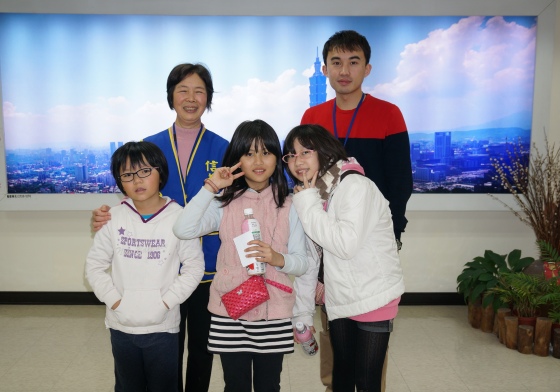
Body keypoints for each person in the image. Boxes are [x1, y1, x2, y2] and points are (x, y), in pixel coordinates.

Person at [91, 63, 229, 392]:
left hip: (207, 265)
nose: (191, 98)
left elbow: (235, 202)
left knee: (201, 348)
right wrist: (103, 216)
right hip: (156, 266)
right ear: (170, 96)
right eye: (183, 90)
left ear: (208, 98)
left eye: (199, 91)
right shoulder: (150, 145)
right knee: (161, 348)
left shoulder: (223, 147)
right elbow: (132, 198)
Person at [300, 30, 413, 391]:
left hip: (369, 241)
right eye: (336, 62)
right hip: (325, 237)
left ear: (367, 68)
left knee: (370, 337)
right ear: (325, 68)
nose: (344, 70)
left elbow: (400, 182)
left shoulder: (388, 114)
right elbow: (305, 175)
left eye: (353, 62)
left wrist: (389, 234)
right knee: (335, 328)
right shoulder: (313, 115)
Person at [173, 119, 308, 392]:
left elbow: (302, 262)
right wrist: (211, 187)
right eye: (248, 153)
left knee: (269, 385)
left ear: (276, 158)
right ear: (237, 160)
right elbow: (183, 229)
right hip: (230, 311)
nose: (258, 160)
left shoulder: (291, 204)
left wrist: (277, 258)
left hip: (274, 312)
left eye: (266, 152)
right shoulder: (224, 203)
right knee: (235, 385)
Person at [283, 124, 405, 392]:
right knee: (341, 378)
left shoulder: (354, 186)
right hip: (339, 296)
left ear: (324, 151)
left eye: (305, 151)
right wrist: (302, 312)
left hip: (372, 294)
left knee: (366, 382)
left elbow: (344, 244)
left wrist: (306, 203)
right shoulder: (315, 194)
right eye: (290, 155)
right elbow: (311, 257)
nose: (297, 161)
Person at [85, 141, 205, 392]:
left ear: (160, 172)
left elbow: (194, 267)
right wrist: (116, 301)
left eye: (145, 171)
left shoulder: (179, 217)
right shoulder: (113, 217)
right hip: (121, 324)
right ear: (120, 181)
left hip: (163, 326)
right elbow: (95, 266)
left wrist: (165, 302)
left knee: (164, 386)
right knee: (128, 386)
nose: (137, 180)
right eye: (127, 174)